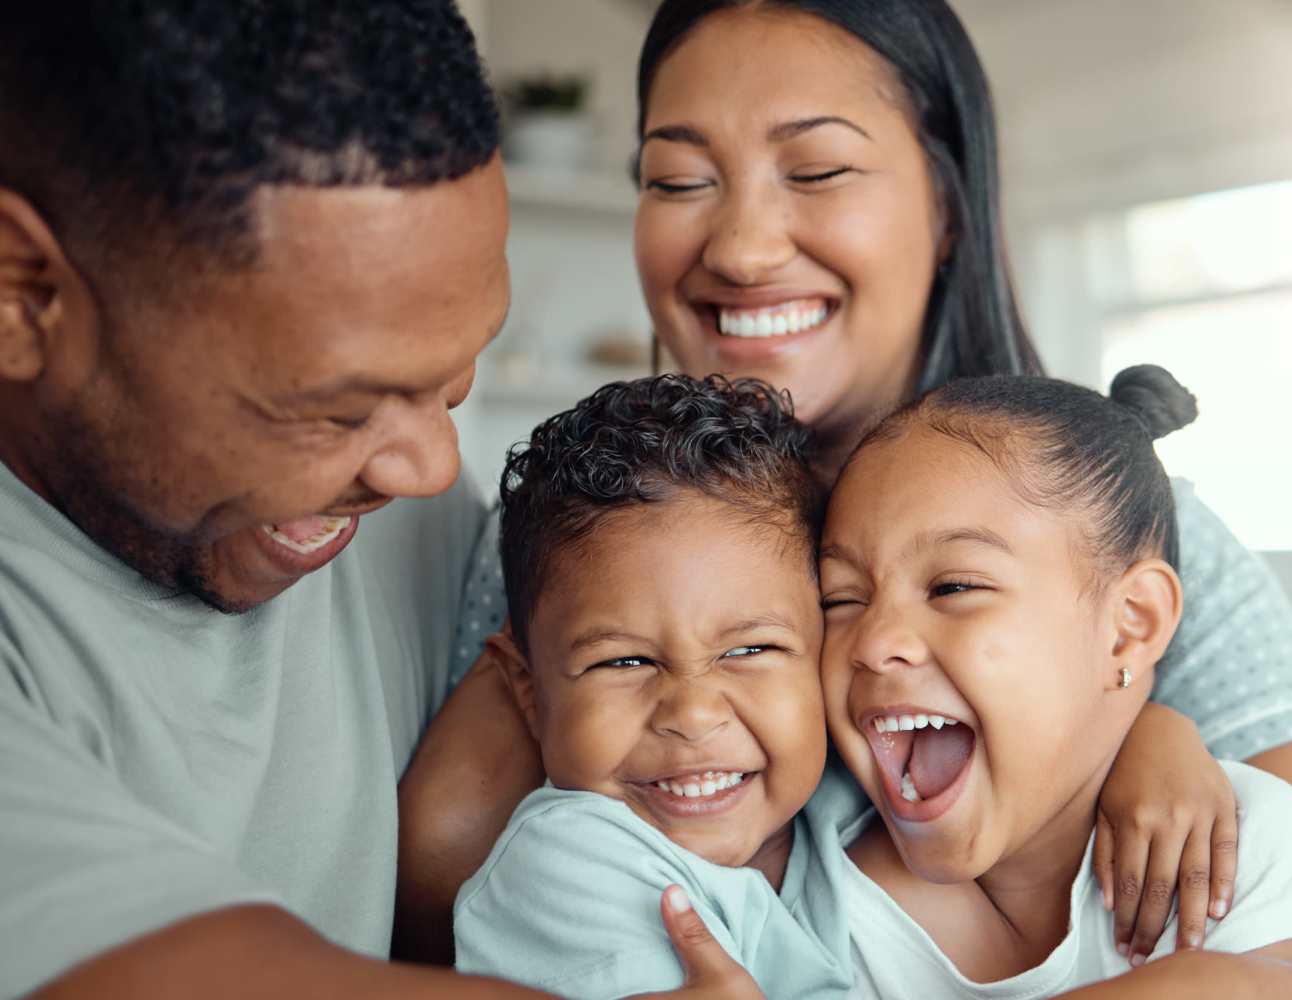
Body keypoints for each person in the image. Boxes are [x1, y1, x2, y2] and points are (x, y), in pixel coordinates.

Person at [400, 1, 1292, 996]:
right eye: (678, 182)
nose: (741, 247)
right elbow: (427, 894)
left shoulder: (1140, 536)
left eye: (815, 168)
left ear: (948, 208)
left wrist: (1132, 728)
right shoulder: (570, 531)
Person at [0, 3, 753, 998]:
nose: (432, 468)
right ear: (22, 294)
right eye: (337, 407)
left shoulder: (399, 526)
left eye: (454, 373)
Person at [821, 366, 1292, 995]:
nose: (874, 642)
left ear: (1130, 625)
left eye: (954, 587)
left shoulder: (1239, 849)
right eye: (839, 600)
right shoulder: (817, 902)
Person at [453, 374, 850, 997]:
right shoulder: (569, 862)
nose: (692, 713)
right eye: (625, 663)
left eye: (750, 650)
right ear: (529, 691)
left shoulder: (848, 808)